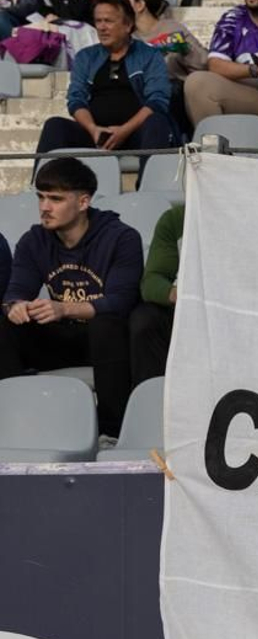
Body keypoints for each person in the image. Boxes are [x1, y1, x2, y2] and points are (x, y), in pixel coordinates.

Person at [0, 156, 144, 437]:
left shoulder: (122, 237)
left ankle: (112, 432)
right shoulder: (34, 240)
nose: (44, 207)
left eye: (55, 199)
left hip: (108, 343)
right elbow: (15, 291)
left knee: (107, 324)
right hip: (60, 338)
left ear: (83, 202)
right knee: (3, 325)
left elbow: (120, 301)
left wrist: (64, 308)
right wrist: (16, 307)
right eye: (41, 197)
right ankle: (12, 417)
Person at [37, 0, 175, 156]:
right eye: (98, 21)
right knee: (55, 126)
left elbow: (157, 100)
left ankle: (150, 182)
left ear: (128, 25)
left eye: (108, 21)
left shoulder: (150, 56)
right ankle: (39, 181)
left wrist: (124, 131)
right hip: (94, 134)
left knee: (157, 122)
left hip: (136, 133)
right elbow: (76, 99)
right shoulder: (85, 57)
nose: (102, 27)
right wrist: (93, 129)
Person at [130, 199, 182, 384]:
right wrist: (174, 293)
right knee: (145, 319)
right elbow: (152, 280)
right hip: (185, 313)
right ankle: (151, 398)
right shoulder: (176, 219)